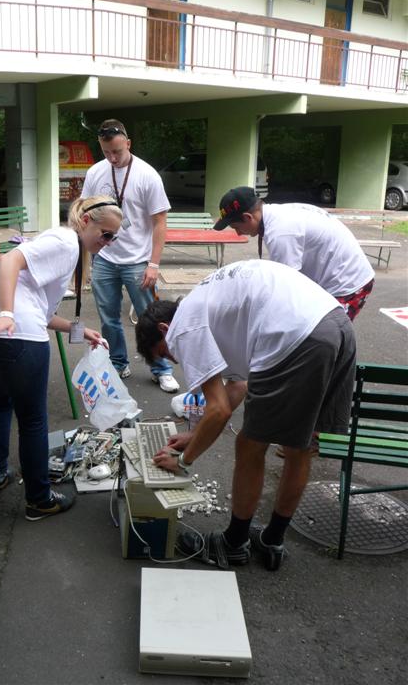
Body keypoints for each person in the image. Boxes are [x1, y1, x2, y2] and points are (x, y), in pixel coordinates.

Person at [135, 259, 356, 571]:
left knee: (250, 445)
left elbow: (219, 409)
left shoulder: (185, 325)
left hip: (294, 336)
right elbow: (237, 386)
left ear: (164, 329)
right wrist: (195, 435)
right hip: (334, 322)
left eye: (165, 353)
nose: (175, 360)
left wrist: (183, 461)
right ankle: (272, 540)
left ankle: (234, 544)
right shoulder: (210, 307)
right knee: (300, 447)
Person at [0, 196, 123, 519]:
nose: (108, 242)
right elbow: (9, 260)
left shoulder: (66, 252)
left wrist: (78, 330)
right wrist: (6, 314)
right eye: (106, 234)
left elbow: (42, 313)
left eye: (113, 238)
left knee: (1, 399)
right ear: (86, 221)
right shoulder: (66, 240)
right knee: (32, 419)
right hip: (13, 331)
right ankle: (39, 499)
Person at [80, 119, 179, 393]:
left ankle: (161, 369)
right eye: (106, 152)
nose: (112, 158)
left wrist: (153, 264)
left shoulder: (147, 175)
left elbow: (160, 222)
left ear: (128, 143)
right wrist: (85, 261)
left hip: (138, 260)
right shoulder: (95, 172)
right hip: (104, 259)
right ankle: (118, 362)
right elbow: (84, 213)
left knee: (152, 319)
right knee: (109, 318)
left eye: (117, 152)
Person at [214, 187, 375, 321]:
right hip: (331, 277)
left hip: (348, 283)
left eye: (236, 227)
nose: (238, 233)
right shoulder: (276, 214)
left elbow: (287, 289)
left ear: (248, 217)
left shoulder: (280, 232)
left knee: (325, 335)